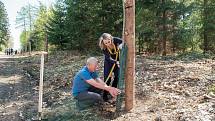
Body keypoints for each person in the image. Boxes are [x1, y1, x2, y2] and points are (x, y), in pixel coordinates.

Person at [99, 33, 123, 102]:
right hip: (109, 63)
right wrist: (116, 62)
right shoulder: (104, 47)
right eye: (106, 43)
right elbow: (108, 58)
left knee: (117, 76)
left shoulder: (115, 39)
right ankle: (104, 96)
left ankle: (113, 91)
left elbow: (123, 41)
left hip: (117, 61)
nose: (108, 44)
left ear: (111, 39)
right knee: (107, 79)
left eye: (109, 41)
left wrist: (121, 45)